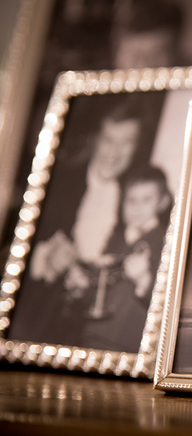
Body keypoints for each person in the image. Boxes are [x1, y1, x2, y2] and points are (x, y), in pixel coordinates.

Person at [9, 100, 145, 345]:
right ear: (95, 139)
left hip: (85, 334)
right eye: (109, 140)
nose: (115, 153)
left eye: (127, 142)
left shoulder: (135, 198)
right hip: (28, 321)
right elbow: (8, 244)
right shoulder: (53, 180)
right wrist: (44, 257)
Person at [69, 166, 172, 351]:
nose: (137, 207)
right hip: (93, 335)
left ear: (163, 202)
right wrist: (83, 287)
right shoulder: (114, 239)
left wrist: (144, 281)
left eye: (146, 200)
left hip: (128, 343)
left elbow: (168, 302)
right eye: (131, 200)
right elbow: (98, 290)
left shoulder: (166, 243)